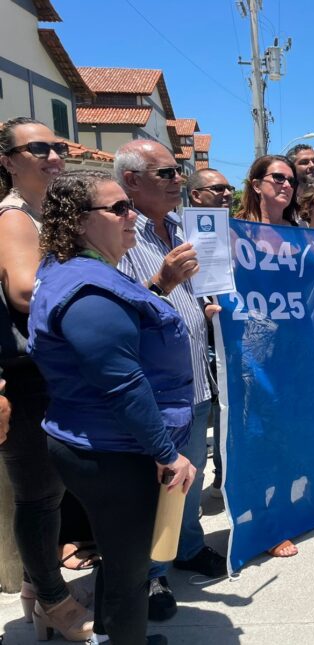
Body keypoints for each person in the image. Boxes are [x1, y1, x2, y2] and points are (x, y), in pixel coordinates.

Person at [27, 169, 195, 644]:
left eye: (130, 206)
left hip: (102, 442)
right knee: (128, 569)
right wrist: (166, 453)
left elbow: (125, 329)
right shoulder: (88, 289)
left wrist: (159, 287)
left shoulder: (77, 270)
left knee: (122, 560)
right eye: (119, 208)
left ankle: (113, 635)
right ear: (79, 221)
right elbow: (121, 385)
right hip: (115, 451)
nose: (132, 216)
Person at [114, 140, 225, 621]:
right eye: (166, 173)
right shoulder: (118, 233)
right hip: (153, 390)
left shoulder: (184, 227)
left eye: (178, 171)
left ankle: (188, 546)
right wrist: (161, 281)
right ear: (132, 181)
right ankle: (151, 575)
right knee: (155, 486)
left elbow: (202, 287)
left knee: (189, 476)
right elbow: (111, 308)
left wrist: (207, 304)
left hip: (193, 383)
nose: (178, 179)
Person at [0, 117, 94, 635]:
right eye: (38, 148)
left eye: (56, 146)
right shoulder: (14, 219)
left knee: (50, 494)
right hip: (28, 376)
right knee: (38, 498)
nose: (53, 156)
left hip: (50, 372)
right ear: (9, 161)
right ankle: (55, 606)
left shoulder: (44, 216)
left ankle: (39, 593)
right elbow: (23, 293)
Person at [186, 168, 232, 497]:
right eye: (217, 188)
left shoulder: (236, 230)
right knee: (208, 417)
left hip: (232, 336)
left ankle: (225, 474)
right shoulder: (183, 233)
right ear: (196, 196)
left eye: (229, 188)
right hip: (202, 344)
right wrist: (200, 311)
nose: (226, 193)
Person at [235, 155, 299, 226]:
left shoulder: (297, 231)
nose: (287, 185)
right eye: (279, 177)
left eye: (291, 181)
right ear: (257, 185)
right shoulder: (238, 229)